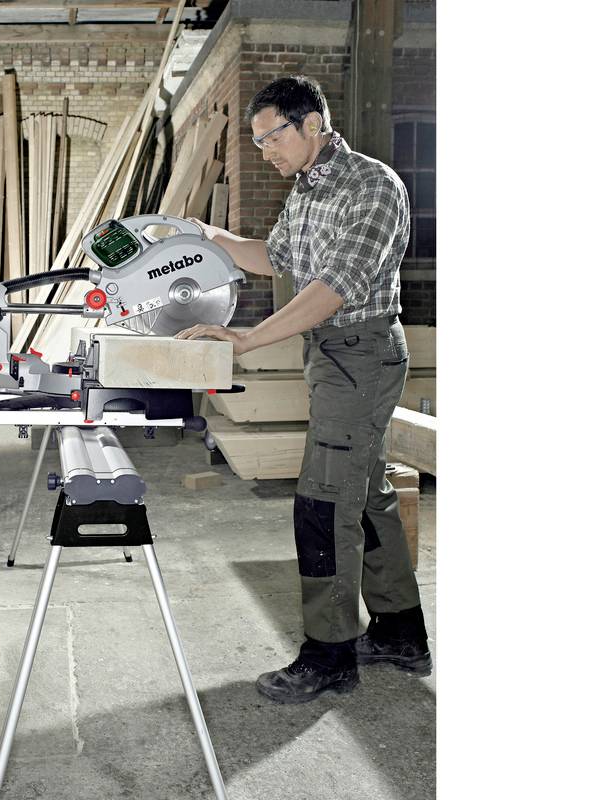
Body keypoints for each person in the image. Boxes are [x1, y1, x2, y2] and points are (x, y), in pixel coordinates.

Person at [177, 75, 432, 703]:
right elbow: (277, 256)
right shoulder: (308, 190)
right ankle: (401, 633)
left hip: (362, 353)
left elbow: (334, 287)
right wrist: (207, 240)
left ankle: (330, 655)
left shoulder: (373, 186)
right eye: (258, 141)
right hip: (331, 356)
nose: (266, 151)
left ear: (310, 123)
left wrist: (248, 339)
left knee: (322, 504)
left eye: (272, 137)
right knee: (365, 493)